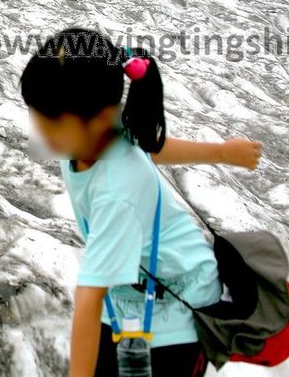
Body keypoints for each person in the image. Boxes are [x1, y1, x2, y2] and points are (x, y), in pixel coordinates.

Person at [20, 28, 262, 377]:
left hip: (178, 310)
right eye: (36, 115)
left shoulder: (118, 190)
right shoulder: (91, 137)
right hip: (130, 296)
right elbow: (150, 143)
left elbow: (88, 297)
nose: (41, 130)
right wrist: (222, 152)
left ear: (99, 118)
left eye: (51, 122)